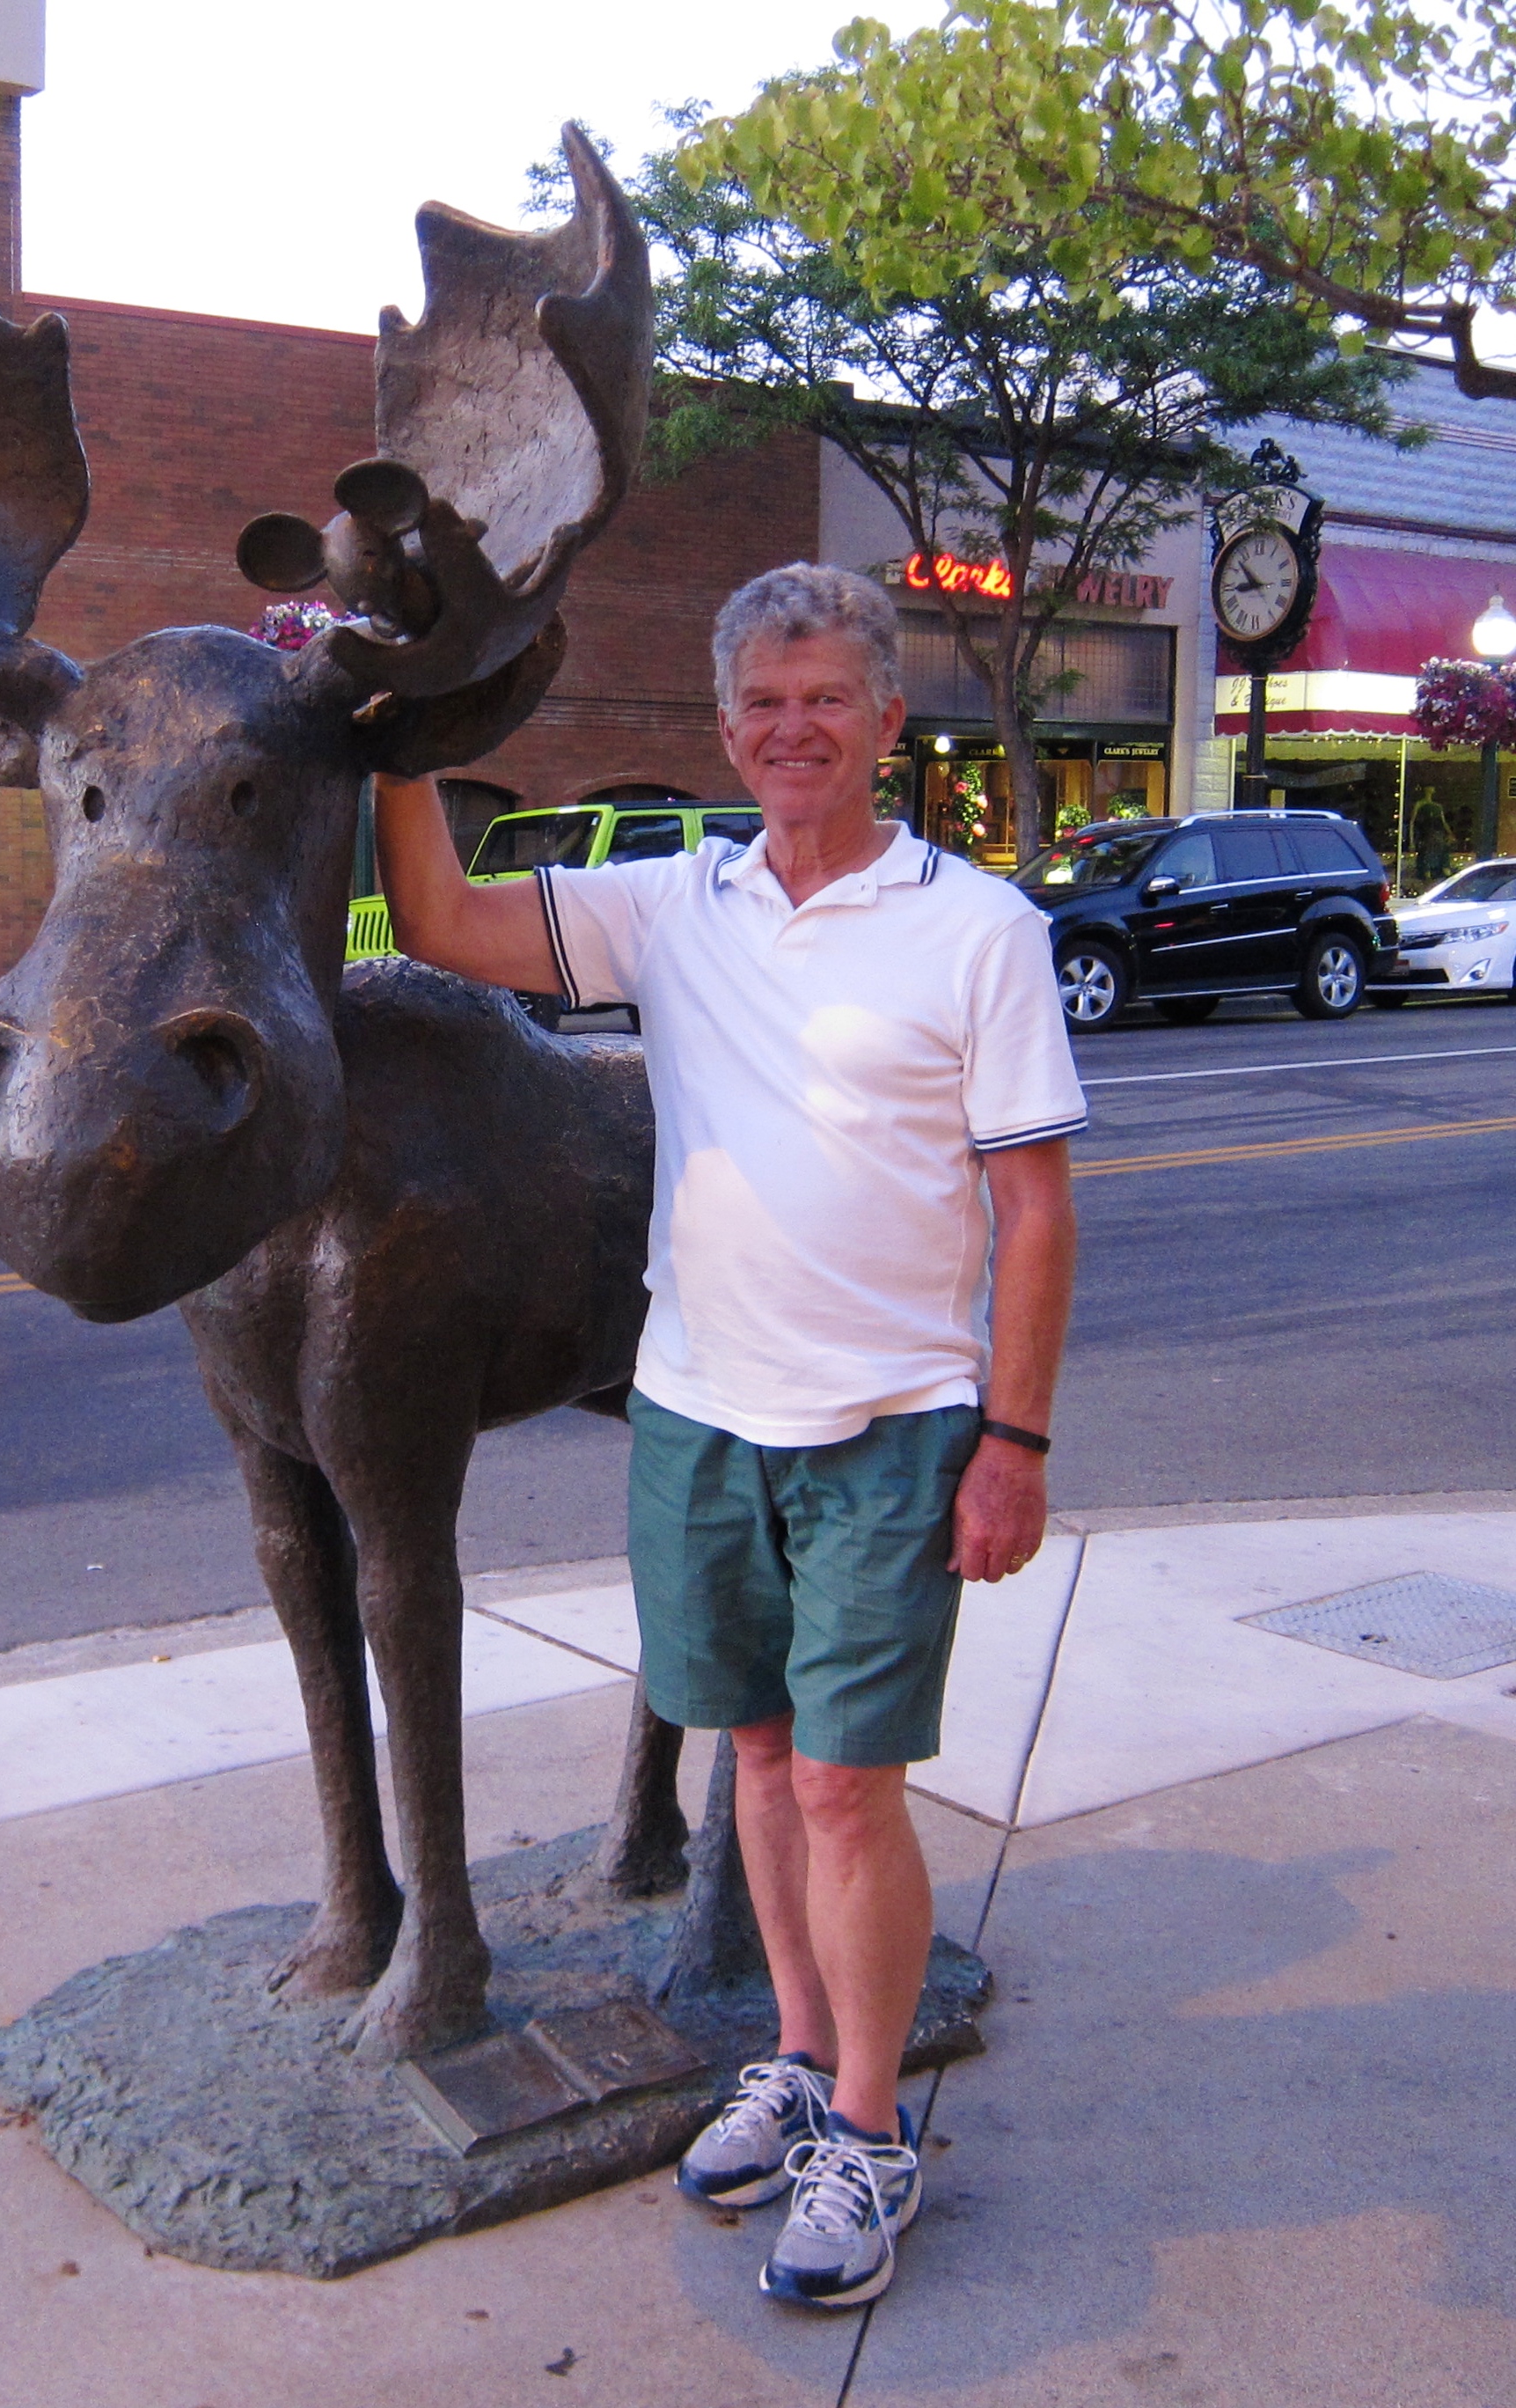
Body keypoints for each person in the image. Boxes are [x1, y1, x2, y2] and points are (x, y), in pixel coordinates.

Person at [373, 562, 1082, 2310]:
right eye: (762, 703)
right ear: (723, 726)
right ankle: (796, 2050)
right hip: (696, 1410)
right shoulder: (671, 904)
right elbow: (441, 924)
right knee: (757, 1761)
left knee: (845, 1784)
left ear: (886, 717)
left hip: (892, 1427)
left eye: (824, 697)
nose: (791, 729)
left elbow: (1036, 1209)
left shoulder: (977, 929)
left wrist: (1014, 1440)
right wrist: (401, 739)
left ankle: (869, 2127)